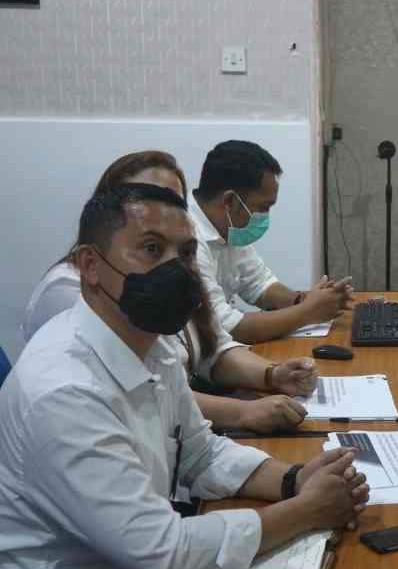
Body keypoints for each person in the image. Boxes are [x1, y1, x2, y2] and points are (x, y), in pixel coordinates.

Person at [0, 183, 370, 569]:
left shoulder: (149, 343)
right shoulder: (64, 393)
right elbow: (164, 555)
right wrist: (305, 510)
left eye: (187, 253)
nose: (176, 270)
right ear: (90, 265)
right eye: (152, 249)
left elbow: (200, 453)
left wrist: (294, 478)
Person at [22, 151, 317, 433]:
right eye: (145, 199)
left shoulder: (175, 270)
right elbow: (149, 393)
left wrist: (273, 375)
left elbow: (212, 349)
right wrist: (243, 412)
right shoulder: (70, 290)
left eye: (172, 201)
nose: (162, 212)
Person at [190, 140, 352, 344]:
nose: (265, 216)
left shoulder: (228, 228)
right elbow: (227, 329)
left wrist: (302, 300)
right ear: (230, 201)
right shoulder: (186, 241)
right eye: (263, 207)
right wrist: (308, 311)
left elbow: (259, 283)